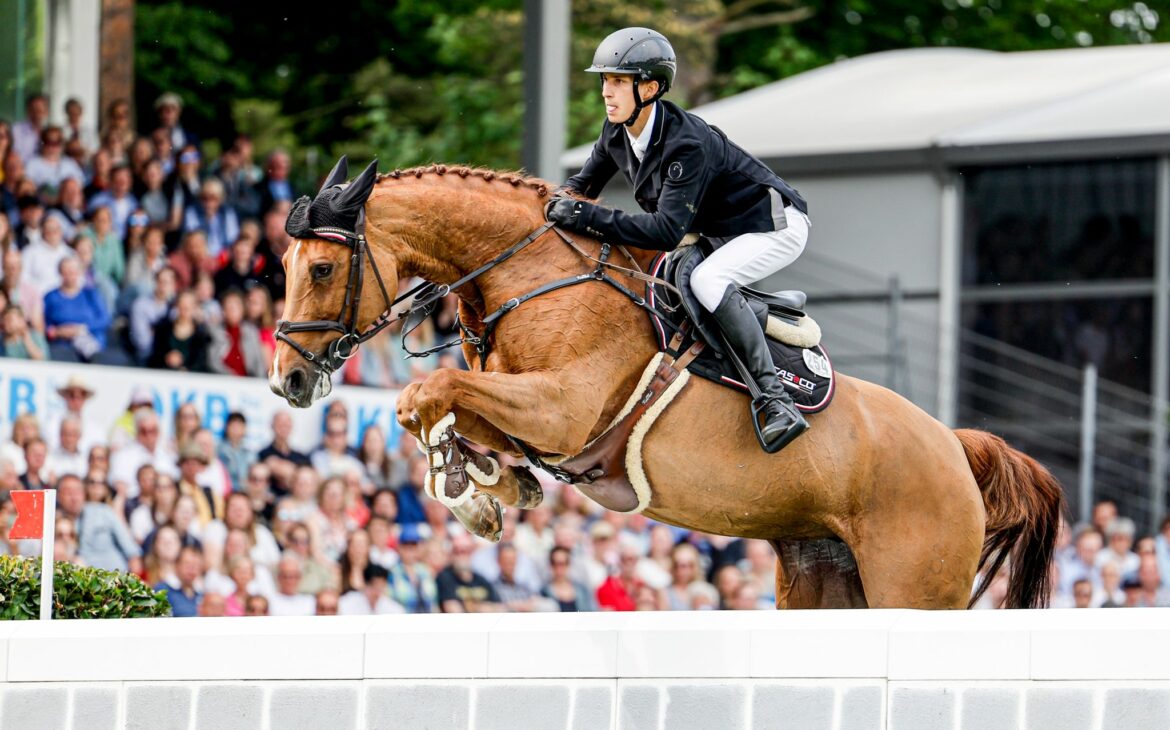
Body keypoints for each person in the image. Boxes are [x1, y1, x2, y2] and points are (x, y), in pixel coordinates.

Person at [549, 27, 811, 450]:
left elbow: (666, 231)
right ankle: (752, 313)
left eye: (617, 81)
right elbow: (581, 188)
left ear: (649, 87)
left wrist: (584, 215)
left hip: (772, 225)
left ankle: (775, 400)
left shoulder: (686, 143)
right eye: (605, 80)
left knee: (707, 281)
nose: (606, 92)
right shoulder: (617, 129)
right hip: (722, 229)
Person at [56, 473, 143, 573]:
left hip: (116, 577)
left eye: (78, 491)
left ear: (84, 493)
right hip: (79, 582)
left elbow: (131, 551)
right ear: (58, 496)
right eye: (68, 492)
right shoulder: (54, 522)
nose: (74, 497)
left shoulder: (103, 511)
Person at [43, 256, 110, 362]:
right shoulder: (51, 297)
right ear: (60, 273)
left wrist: (81, 329)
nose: (70, 276)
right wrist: (57, 332)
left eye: (73, 272)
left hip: (90, 342)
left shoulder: (90, 294)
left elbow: (104, 319)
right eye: (66, 272)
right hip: (61, 344)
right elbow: (44, 324)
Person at [436, 533, 502, 613]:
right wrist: (480, 607)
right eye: (457, 551)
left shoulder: (481, 580)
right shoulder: (444, 578)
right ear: (451, 553)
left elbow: (501, 608)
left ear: (472, 552)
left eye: (466, 551)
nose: (462, 555)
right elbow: (453, 611)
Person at [339, 563, 405, 615]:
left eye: (381, 586)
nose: (377, 591)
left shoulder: (393, 608)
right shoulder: (348, 601)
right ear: (365, 584)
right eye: (374, 586)